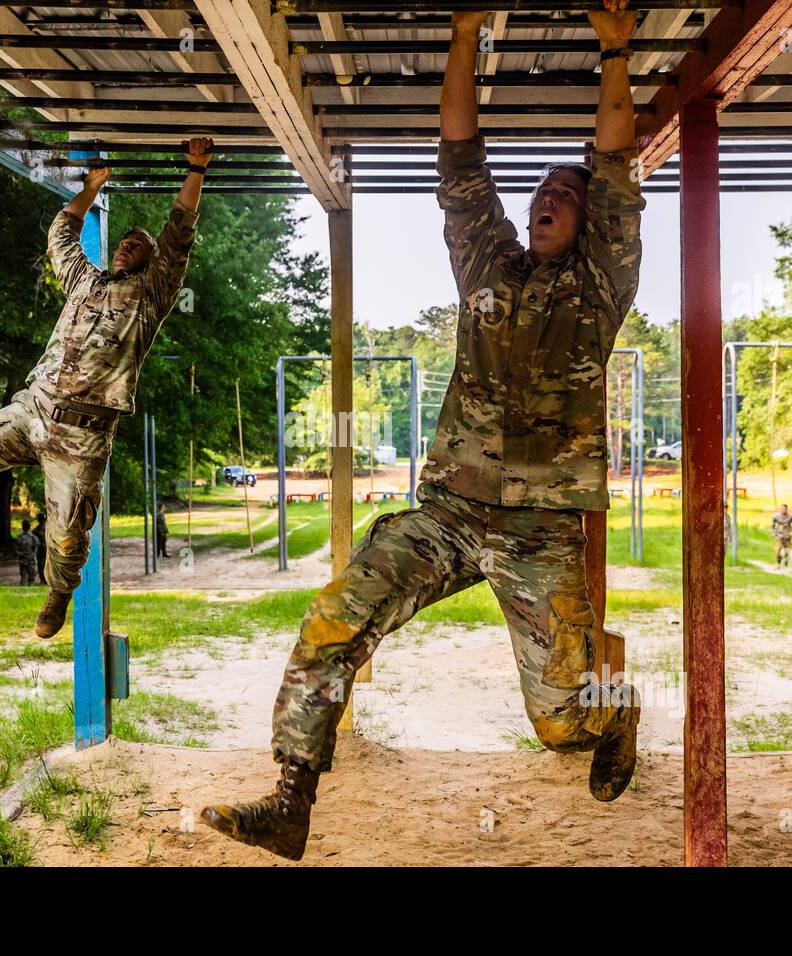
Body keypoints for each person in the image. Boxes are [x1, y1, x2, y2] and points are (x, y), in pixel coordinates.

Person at [200, 0, 646, 861]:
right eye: (543, 190)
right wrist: (464, 34)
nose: (551, 198)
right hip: (446, 512)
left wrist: (616, 52)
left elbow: (617, 163)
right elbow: (459, 160)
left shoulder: (600, 285)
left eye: (567, 193)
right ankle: (292, 798)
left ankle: (613, 711)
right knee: (336, 615)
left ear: (594, 223)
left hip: (540, 531)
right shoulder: (488, 259)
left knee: (558, 726)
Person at [0, 138, 216, 638]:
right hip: (33, 409)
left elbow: (180, 230)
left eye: (137, 244)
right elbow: (61, 234)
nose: (126, 245)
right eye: (123, 240)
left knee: (68, 536)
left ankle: (57, 591)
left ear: (150, 258)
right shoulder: (84, 281)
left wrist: (195, 169)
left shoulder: (152, 294)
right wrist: (90, 188)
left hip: (83, 432)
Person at [770, 504, 792, 568]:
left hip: (787, 535)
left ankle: (786, 561)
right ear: (780, 510)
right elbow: (772, 525)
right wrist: (773, 532)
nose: (784, 510)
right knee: (777, 550)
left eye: (785, 509)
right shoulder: (776, 516)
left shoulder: (791, 516)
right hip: (779, 535)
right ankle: (779, 562)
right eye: (782, 509)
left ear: (787, 509)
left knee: (787, 550)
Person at [16, 518, 40, 585]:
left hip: (22, 560)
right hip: (31, 560)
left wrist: (21, 555)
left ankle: (22, 590)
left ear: (22, 527)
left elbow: (16, 550)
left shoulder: (19, 538)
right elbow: (36, 549)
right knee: (32, 578)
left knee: (23, 577)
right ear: (29, 527)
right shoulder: (33, 538)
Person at [33, 516, 48, 585]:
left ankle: (47, 579)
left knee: (46, 564)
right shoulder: (36, 531)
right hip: (41, 550)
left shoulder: (48, 528)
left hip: (47, 550)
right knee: (41, 564)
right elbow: (35, 541)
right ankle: (43, 579)